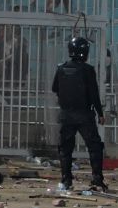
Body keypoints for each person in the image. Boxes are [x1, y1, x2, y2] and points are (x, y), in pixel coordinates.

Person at [52, 37, 108, 192]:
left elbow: (55, 88)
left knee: (65, 149)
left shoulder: (61, 68)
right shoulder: (88, 70)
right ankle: (97, 179)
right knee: (94, 147)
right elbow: (94, 94)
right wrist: (100, 113)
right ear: (85, 52)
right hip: (84, 115)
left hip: (66, 115)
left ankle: (66, 180)